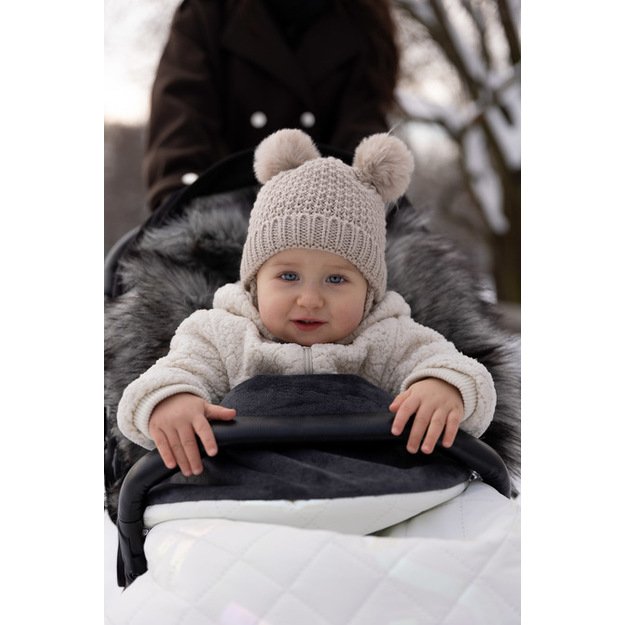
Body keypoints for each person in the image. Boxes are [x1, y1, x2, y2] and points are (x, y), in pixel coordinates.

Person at [118, 129, 497, 477]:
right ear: (254, 282)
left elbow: (464, 373)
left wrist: (444, 387)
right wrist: (170, 400)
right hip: (240, 496)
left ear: (369, 292)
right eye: (288, 277)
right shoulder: (219, 335)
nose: (311, 299)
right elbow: (157, 382)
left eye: (336, 280)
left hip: (371, 492)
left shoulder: (391, 338)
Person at [143, 0, 400, 210]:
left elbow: (362, 129)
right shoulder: (207, 13)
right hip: (218, 210)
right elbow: (181, 123)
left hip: (327, 218)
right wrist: (184, 208)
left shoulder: (364, 22)